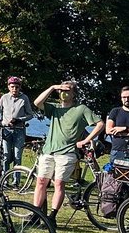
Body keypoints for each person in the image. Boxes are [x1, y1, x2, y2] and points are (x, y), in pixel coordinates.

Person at [31, 80, 104, 222]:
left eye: (68, 90)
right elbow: (37, 102)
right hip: (48, 151)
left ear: (74, 93)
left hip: (68, 153)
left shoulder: (81, 109)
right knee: (41, 181)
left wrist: (86, 140)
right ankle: (35, 214)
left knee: (59, 183)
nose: (64, 93)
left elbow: (100, 124)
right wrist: (52, 87)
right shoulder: (55, 108)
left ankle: (52, 217)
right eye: (62, 90)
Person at [0, 76, 35, 170]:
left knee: (17, 156)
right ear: (9, 87)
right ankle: (5, 179)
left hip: (19, 130)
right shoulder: (4, 97)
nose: (14, 89)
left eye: (16, 87)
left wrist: (19, 119)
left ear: (19, 87)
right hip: (6, 130)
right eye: (12, 87)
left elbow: (30, 115)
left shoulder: (24, 98)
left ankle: (16, 181)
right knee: (6, 156)